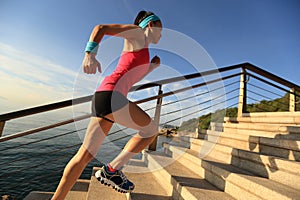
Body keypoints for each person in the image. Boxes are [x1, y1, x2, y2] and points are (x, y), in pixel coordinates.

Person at [52, 10, 162, 199]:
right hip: (112, 96)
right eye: (161, 29)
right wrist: (90, 54)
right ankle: (112, 170)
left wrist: (151, 67)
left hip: (106, 97)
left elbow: (131, 77)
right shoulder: (137, 33)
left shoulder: (142, 48)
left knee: (84, 156)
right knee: (150, 131)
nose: (162, 34)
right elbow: (100, 28)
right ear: (150, 25)